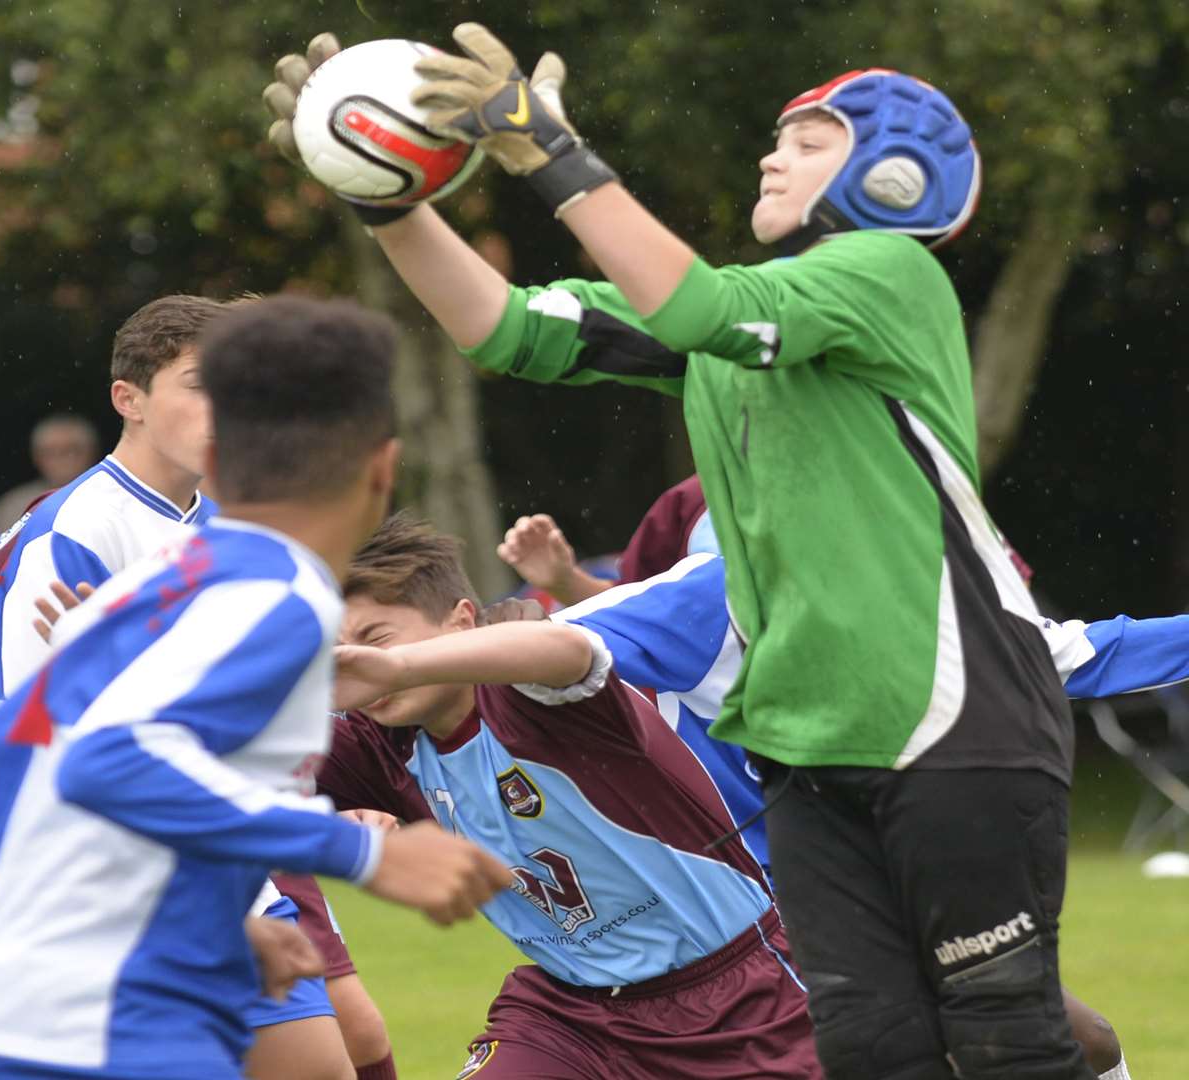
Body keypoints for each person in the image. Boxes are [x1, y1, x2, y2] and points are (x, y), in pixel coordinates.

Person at [268, 29, 1089, 1078]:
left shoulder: (887, 274)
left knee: (1006, 1034)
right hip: (805, 742)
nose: (770, 156)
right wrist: (388, 200)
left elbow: (699, 303)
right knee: (876, 1050)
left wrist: (552, 153)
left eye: (808, 139)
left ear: (893, 175)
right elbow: (502, 328)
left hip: (953, 719)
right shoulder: (727, 328)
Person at [0, 296, 510, 1080]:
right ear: (383, 466)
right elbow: (100, 763)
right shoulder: (277, 596)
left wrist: (199, 917)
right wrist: (361, 852)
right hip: (104, 1022)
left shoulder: (174, 574)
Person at [499, 483, 1175, 1080]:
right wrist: (412, 665)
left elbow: (1094, 651)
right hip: (745, 931)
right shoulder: (699, 611)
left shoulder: (897, 617)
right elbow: (576, 635)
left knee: (1082, 1041)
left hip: (874, 888)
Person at [317, 512, 818, 1079]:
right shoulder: (378, 745)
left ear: (461, 623)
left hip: (739, 998)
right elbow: (229, 762)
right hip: (571, 1015)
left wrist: (398, 667)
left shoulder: (528, 696)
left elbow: (565, 652)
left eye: (374, 638)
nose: (361, 663)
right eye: (341, 649)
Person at [0, 413, 101, 538]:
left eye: (71, 450)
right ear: (36, 457)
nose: (62, 460)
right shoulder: (13, 507)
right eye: (51, 452)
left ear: (92, 452)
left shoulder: (113, 498)